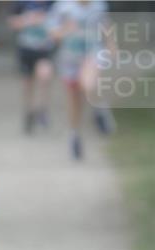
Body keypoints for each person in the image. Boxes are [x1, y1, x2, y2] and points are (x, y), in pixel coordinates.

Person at [48, 0, 114, 161]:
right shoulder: (62, 7)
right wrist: (65, 31)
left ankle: (100, 111)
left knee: (89, 84)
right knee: (74, 101)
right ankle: (74, 135)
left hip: (92, 54)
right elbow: (52, 34)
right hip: (70, 58)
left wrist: (112, 45)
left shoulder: (99, 5)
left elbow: (106, 26)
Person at [9, 0, 55, 135]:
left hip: (44, 50)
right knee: (27, 84)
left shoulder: (52, 4)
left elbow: (60, 23)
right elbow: (12, 22)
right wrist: (28, 21)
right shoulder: (22, 3)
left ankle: (42, 109)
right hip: (26, 50)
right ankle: (29, 112)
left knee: (44, 76)